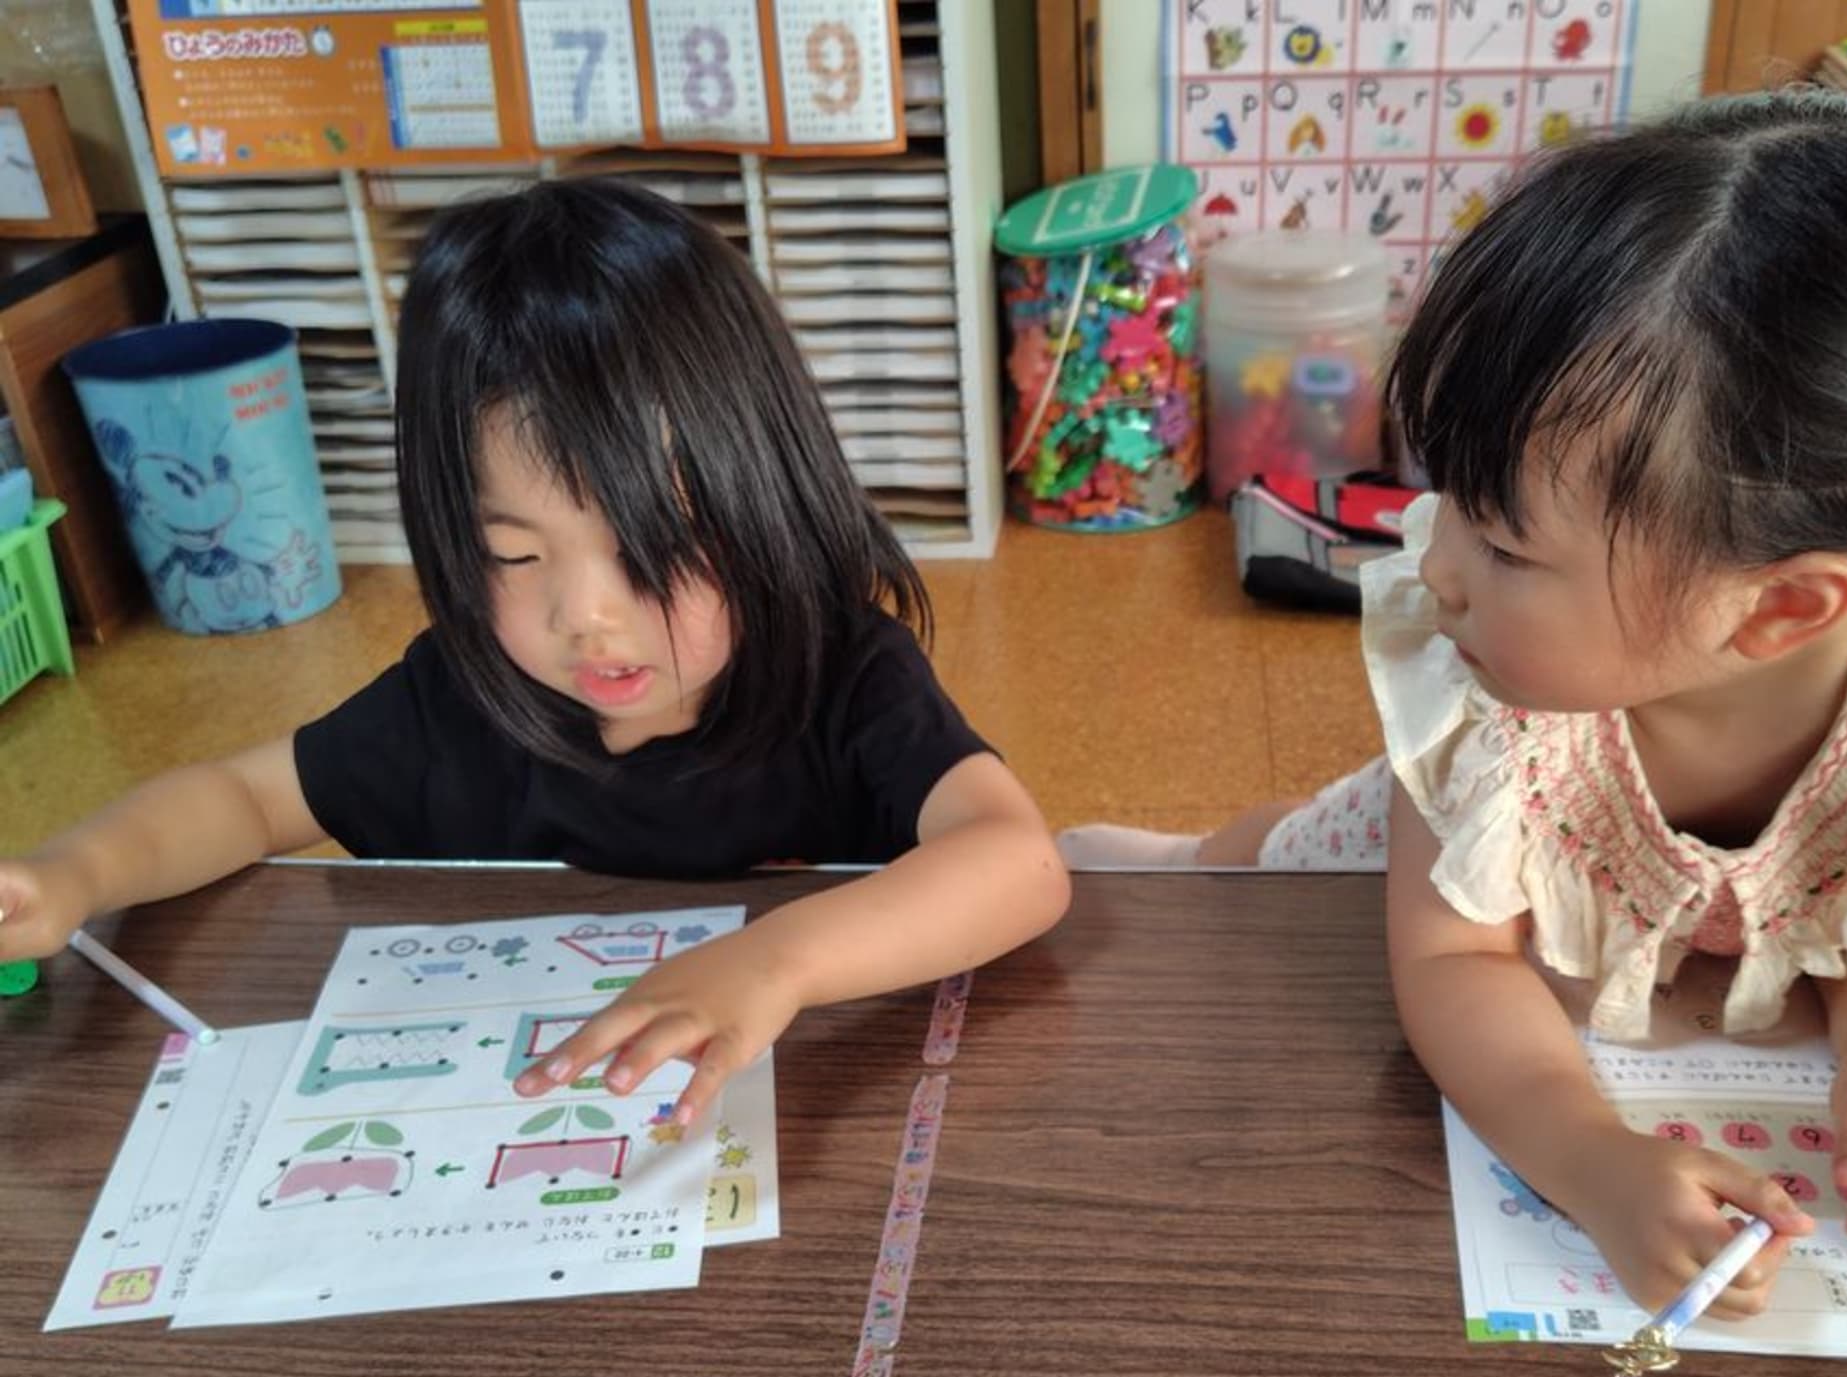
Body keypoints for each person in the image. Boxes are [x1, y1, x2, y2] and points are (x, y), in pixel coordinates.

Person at [1062, 96, 1847, 1316]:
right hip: (1406, 866)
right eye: (1449, 498)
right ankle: (1178, 849)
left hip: (1648, 962)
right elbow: (1453, 954)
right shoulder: (1499, 703)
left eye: (1507, 546)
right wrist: (1588, 1158)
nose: (1435, 569)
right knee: (1255, 871)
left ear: (1782, 609)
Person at [0, 177, 1069, 1127]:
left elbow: (1016, 862)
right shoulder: (461, 697)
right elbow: (242, 798)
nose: (586, 617)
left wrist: (777, 960)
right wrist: (75, 873)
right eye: (512, 554)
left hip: (820, 1120)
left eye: (656, 547)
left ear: (770, 499)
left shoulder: (844, 673)